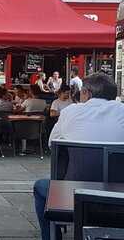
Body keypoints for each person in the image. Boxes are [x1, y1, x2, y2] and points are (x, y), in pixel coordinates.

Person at [34, 73, 124, 240]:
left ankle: (52, 236)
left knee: (40, 186)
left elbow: (52, 144)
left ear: (86, 93)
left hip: (74, 196)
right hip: (119, 199)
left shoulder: (71, 112)